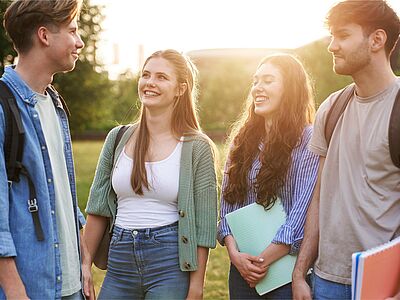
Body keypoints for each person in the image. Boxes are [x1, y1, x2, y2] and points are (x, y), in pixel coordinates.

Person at [84, 49, 218, 299]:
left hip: (169, 261)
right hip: (119, 261)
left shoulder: (197, 147)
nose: (150, 83)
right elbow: (98, 207)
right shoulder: (117, 138)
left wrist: (196, 288)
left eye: (161, 77)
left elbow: (204, 225)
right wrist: (85, 264)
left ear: (180, 89)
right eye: (145, 75)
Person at [292, 1, 400, 299]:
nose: (332, 46)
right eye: (331, 36)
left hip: (385, 283)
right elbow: (320, 195)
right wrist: (301, 272)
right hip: (326, 280)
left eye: (342, 35)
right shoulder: (331, 107)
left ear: (377, 40)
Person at [0, 0, 94, 299]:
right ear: (44, 35)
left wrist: (84, 264)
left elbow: (63, 193)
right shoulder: (3, 107)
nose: (79, 42)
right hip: (31, 289)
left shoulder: (55, 104)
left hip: (71, 286)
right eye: (73, 31)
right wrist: (15, 292)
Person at [217, 53, 319, 299]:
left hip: (285, 272)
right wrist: (236, 256)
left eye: (268, 80)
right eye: (255, 81)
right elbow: (227, 205)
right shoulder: (242, 141)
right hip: (241, 270)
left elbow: (301, 212)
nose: (257, 88)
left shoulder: (309, 139)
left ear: (290, 88)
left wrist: (261, 261)